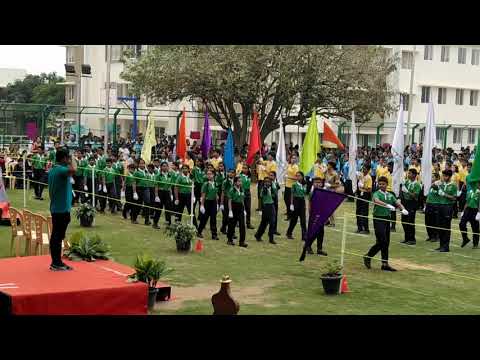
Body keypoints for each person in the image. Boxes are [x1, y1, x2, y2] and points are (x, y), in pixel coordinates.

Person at [363, 176, 408, 272]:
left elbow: (397, 203)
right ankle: (368, 256)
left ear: (387, 185)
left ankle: (385, 263)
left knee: (386, 242)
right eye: (380, 184)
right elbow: (376, 201)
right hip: (378, 219)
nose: (381, 185)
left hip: (387, 219)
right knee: (382, 241)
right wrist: (387, 205)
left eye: (383, 184)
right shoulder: (376, 193)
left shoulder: (390, 195)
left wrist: (403, 209)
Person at [48, 148, 76, 271]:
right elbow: (74, 170)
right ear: (64, 158)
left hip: (58, 207)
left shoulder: (54, 170)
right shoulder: (61, 170)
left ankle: (56, 261)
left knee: (57, 235)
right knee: (57, 236)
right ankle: (56, 262)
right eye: (67, 157)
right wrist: (72, 159)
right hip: (61, 208)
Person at [303, 176, 327, 256]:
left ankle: (319, 249)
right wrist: (311, 213)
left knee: (321, 232)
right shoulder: (312, 191)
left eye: (319, 182)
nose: (318, 184)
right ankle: (308, 246)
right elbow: (310, 203)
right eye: (316, 182)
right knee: (313, 231)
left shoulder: (323, 191)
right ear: (313, 183)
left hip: (321, 214)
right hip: (314, 214)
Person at [435, 169, 458, 252]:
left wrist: (444, 194)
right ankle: (441, 245)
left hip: (447, 207)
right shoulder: (441, 184)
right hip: (440, 205)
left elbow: (454, 198)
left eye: (446, 176)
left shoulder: (453, 185)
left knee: (446, 227)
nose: (444, 177)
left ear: (449, 176)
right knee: (439, 226)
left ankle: (446, 246)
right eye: (443, 175)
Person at [400, 168, 421, 245]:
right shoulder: (406, 182)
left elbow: (415, 196)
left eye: (410, 173)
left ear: (414, 175)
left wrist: (407, 191)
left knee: (410, 221)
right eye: (408, 173)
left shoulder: (417, 184)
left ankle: (412, 239)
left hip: (412, 203)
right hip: (405, 203)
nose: (408, 175)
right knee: (403, 221)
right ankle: (406, 238)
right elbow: (402, 189)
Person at [197, 169, 219, 240]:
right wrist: (202, 205)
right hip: (207, 202)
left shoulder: (215, 183)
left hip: (213, 202)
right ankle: (199, 231)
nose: (209, 175)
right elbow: (203, 195)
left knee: (213, 218)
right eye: (208, 174)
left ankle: (214, 234)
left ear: (213, 175)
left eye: (210, 174)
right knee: (204, 218)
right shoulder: (205, 184)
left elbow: (216, 193)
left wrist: (217, 203)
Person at [254, 176, 277, 244]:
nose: (267, 183)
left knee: (270, 222)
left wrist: (272, 186)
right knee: (265, 223)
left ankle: (267, 237)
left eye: (268, 182)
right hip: (266, 207)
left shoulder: (272, 188)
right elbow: (260, 199)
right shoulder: (263, 189)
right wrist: (260, 209)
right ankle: (260, 235)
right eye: (265, 182)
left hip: (271, 206)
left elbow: (275, 195)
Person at [227, 176, 248, 247]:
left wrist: (244, 209)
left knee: (242, 225)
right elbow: (229, 200)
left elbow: (242, 200)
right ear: (235, 182)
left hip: (240, 208)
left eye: (241, 181)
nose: (240, 182)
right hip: (234, 207)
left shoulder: (242, 189)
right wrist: (230, 211)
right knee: (232, 225)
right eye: (239, 181)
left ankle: (242, 242)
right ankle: (229, 240)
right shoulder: (232, 190)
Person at [286, 171, 307, 241]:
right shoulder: (294, 184)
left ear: (302, 176)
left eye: (299, 176)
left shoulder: (304, 184)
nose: (298, 177)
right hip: (296, 201)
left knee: (303, 220)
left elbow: (305, 194)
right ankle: (289, 233)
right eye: (297, 176)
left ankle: (304, 236)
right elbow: (292, 194)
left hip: (302, 202)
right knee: (294, 220)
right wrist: (291, 204)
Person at [460, 181, 480, 249]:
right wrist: (463, 211)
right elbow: (467, 202)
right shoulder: (470, 191)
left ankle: (475, 243)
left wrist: (479, 213)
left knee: (475, 228)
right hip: (468, 209)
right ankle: (465, 238)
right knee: (461, 224)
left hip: (475, 210)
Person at [153, 161, 173, 228]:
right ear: (161, 167)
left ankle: (168, 224)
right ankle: (155, 223)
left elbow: (170, 186)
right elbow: (156, 186)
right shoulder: (158, 175)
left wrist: (171, 194)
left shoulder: (170, 175)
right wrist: (156, 196)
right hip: (160, 193)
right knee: (159, 209)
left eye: (166, 166)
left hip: (167, 193)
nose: (165, 167)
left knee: (168, 209)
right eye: (163, 166)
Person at [132, 159, 150, 225]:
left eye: (143, 163)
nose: (142, 165)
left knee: (147, 203)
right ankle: (134, 219)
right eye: (140, 163)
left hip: (146, 189)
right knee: (138, 205)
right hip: (139, 189)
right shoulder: (136, 172)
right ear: (138, 164)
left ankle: (147, 220)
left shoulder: (146, 171)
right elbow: (134, 182)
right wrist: (134, 192)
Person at [425, 172, 442, 243]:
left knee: (434, 222)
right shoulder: (431, 185)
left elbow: (435, 186)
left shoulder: (439, 185)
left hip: (435, 205)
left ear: (437, 178)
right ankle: (430, 236)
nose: (432, 178)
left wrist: (432, 183)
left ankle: (436, 236)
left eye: (433, 177)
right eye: (431, 177)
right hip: (429, 204)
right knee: (427, 221)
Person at [356, 164, 372, 234]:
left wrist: (363, 187)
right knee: (358, 211)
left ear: (368, 170)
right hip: (360, 194)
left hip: (365, 195)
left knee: (364, 213)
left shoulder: (369, 177)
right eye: (363, 168)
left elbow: (369, 190)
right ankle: (359, 228)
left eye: (365, 169)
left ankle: (366, 229)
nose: (363, 170)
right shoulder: (361, 175)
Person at [220, 169, 235, 235]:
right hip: (226, 199)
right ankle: (223, 228)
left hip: (233, 200)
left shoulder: (236, 181)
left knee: (232, 217)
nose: (231, 174)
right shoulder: (225, 181)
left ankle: (231, 232)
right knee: (226, 216)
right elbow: (223, 192)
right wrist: (222, 203)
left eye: (232, 173)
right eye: (229, 172)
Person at [284, 155, 299, 221]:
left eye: (294, 158)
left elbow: (297, 178)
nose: (293, 159)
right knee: (286, 199)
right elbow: (286, 173)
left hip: (292, 186)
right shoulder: (289, 165)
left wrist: (289, 177)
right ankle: (288, 213)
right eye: (292, 158)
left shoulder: (296, 167)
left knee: (291, 201)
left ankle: (291, 215)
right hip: (287, 185)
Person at [240, 164, 254, 229]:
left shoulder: (249, 176)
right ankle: (240, 222)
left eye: (245, 168)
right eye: (243, 168)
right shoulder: (239, 176)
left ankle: (248, 223)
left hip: (248, 193)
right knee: (241, 208)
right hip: (241, 192)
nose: (244, 169)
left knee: (248, 208)